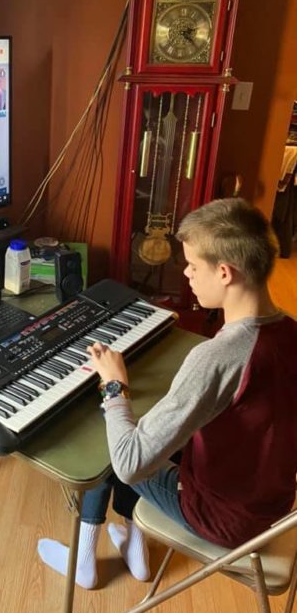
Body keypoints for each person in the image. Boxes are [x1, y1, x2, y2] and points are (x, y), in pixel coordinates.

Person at [39, 197, 297, 590]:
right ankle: (134, 544)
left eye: (193, 265)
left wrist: (114, 384)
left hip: (221, 517)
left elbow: (128, 462)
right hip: (272, 503)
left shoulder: (217, 357)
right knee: (141, 424)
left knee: (108, 429)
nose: (188, 274)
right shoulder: (290, 331)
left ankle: (85, 558)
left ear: (225, 273)